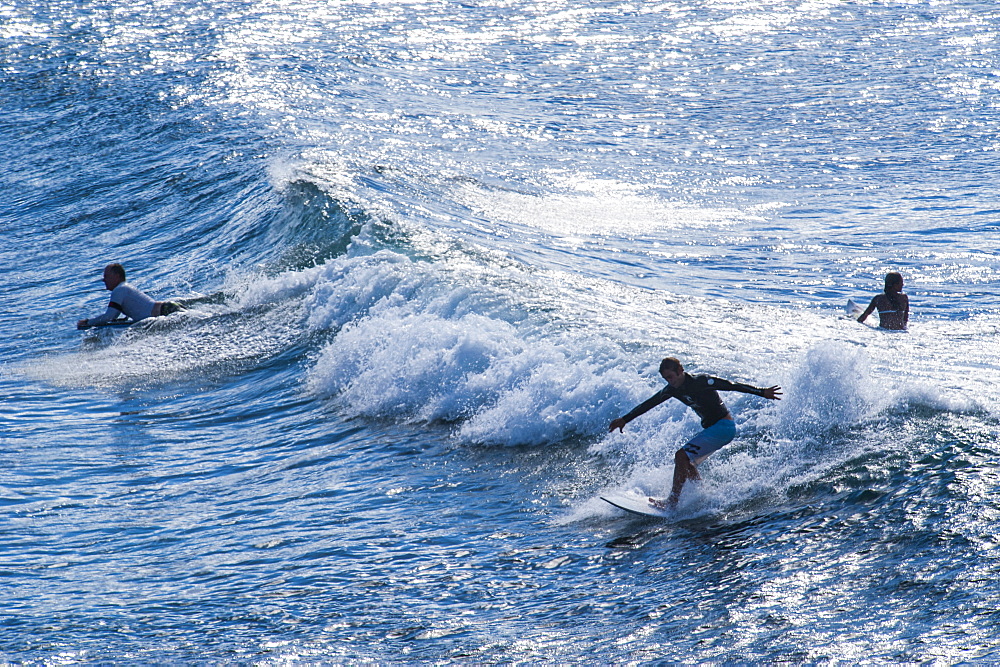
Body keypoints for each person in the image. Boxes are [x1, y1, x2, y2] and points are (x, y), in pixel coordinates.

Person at [609, 357, 781, 508]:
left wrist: (761, 392)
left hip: (723, 427)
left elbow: (731, 386)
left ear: (680, 371)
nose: (669, 381)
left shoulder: (701, 381)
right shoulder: (672, 389)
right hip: (715, 429)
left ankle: (672, 502)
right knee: (687, 464)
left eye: (670, 376)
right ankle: (701, 497)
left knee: (681, 456)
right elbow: (650, 403)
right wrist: (625, 419)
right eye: (665, 379)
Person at [77, 263, 183, 329]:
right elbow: (114, 316)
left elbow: (110, 316)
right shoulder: (123, 288)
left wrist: (87, 322)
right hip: (168, 309)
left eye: (106, 276)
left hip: (166, 311)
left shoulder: (119, 290)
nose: (103, 280)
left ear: (116, 276)